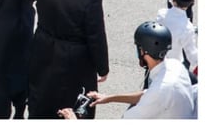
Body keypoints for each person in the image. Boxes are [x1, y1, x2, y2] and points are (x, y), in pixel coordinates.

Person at [61, 22, 194, 119]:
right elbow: (147, 95)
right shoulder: (175, 66)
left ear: (142, 51)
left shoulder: (160, 92)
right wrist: (109, 98)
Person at [157, 0, 198, 71]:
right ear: (192, 2)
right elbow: (192, 56)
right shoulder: (187, 28)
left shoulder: (161, 14)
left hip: (157, 64)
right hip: (174, 68)